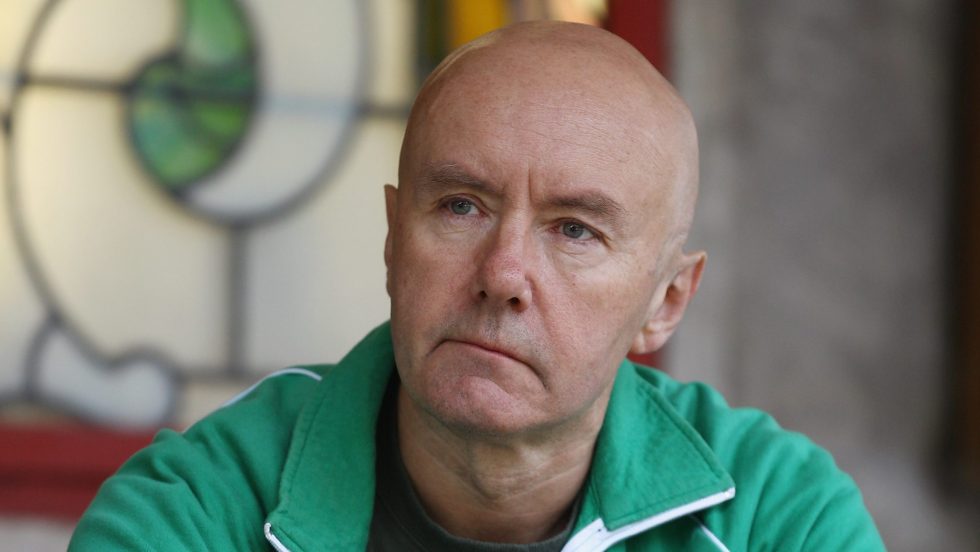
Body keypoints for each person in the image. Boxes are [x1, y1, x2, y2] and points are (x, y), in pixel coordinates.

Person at [70, 21, 884, 551]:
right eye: (462, 206)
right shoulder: (198, 511)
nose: (502, 276)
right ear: (395, 239)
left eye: (575, 230)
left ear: (666, 302)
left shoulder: (777, 518)